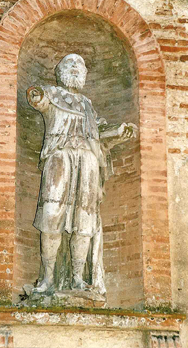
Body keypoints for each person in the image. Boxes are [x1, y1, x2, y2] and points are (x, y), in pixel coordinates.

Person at [26, 54, 136, 295]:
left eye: (80, 65)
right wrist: (37, 95)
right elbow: (38, 99)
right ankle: (47, 278)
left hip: (87, 161)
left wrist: (118, 131)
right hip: (59, 157)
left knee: (83, 219)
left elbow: (98, 133)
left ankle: (77, 278)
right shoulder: (52, 94)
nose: (76, 67)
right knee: (52, 214)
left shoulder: (87, 105)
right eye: (70, 63)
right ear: (60, 71)